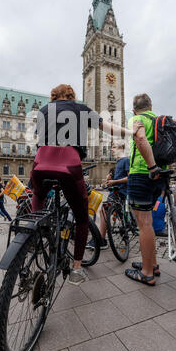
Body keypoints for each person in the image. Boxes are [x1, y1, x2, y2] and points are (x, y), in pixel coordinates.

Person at [30, 84, 141, 286]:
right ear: (71, 96)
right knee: (81, 217)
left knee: (37, 195)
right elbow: (109, 128)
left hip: (40, 163)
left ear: (53, 97)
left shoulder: (44, 110)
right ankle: (77, 268)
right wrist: (130, 132)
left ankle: (36, 234)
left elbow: (40, 138)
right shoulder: (79, 108)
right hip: (69, 164)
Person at [125, 93, 166, 286]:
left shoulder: (137, 118)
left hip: (143, 173)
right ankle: (153, 263)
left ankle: (147, 272)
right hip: (161, 175)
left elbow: (140, 139)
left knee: (144, 224)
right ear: (151, 106)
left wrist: (150, 167)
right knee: (148, 222)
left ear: (134, 109)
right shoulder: (157, 120)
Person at [86, 139, 130, 250]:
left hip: (119, 192)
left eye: (114, 147)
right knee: (103, 211)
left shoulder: (125, 160)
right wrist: (110, 180)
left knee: (104, 211)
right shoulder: (119, 162)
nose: (112, 149)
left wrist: (114, 182)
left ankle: (101, 240)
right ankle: (102, 238)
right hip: (114, 191)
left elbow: (130, 178)